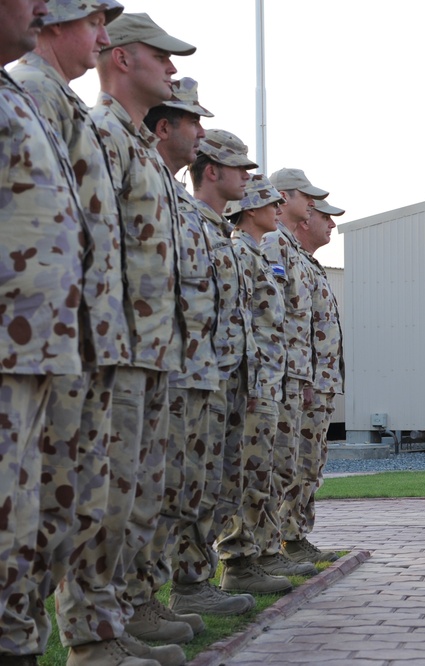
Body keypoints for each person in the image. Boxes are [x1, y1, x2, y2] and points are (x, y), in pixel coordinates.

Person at [92, 10, 203, 652]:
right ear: (124, 57)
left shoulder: (140, 149)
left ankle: (130, 617)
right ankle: (99, 637)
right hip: (119, 348)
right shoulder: (103, 134)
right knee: (108, 500)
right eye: (161, 56)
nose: (172, 68)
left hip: (153, 350)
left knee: (140, 498)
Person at [0, 0, 87, 663]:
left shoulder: (19, 96)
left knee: (31, 520)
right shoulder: (30, 91)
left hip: (42, 348)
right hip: (16, 347)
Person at [183, 128, 263, 608]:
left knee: (218, 485)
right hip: (198, 379)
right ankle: (188, 587)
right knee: (193, 485)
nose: (248, 176)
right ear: (212, 171)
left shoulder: (220, 234)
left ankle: (198, 582)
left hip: (228, 379)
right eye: (240, 167)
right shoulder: (190, 223)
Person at [218, 174, 296, 595]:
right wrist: (248, 385)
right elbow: (242, 321)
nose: (278, 209)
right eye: (271, 204)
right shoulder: (239, 254)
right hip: (252, 383)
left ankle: (255, 556)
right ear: (250, 210)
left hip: (267, 380)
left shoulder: (258, 256)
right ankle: (238, 562)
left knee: (260, 473)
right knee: (245, 475)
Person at [259, 167, 331, 578]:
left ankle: (289, 539)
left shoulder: (295, 253)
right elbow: (275, 315)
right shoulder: (274, 245)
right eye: (307, 198)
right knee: (277, 466)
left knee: (300, 465)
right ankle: (269, 548)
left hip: (304, 377)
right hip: (284, 376)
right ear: (285, 198)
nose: (313, 206)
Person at [287, 198, 346, 564]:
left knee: (310, 465)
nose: (332, 226)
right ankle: (285, 539)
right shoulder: (287, 256)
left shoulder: (310, 264)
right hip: (304, 384)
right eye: (326, 217)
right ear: (306, 218)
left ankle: (296, 536)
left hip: (319, 385)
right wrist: (305, 380)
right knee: (295, 464)